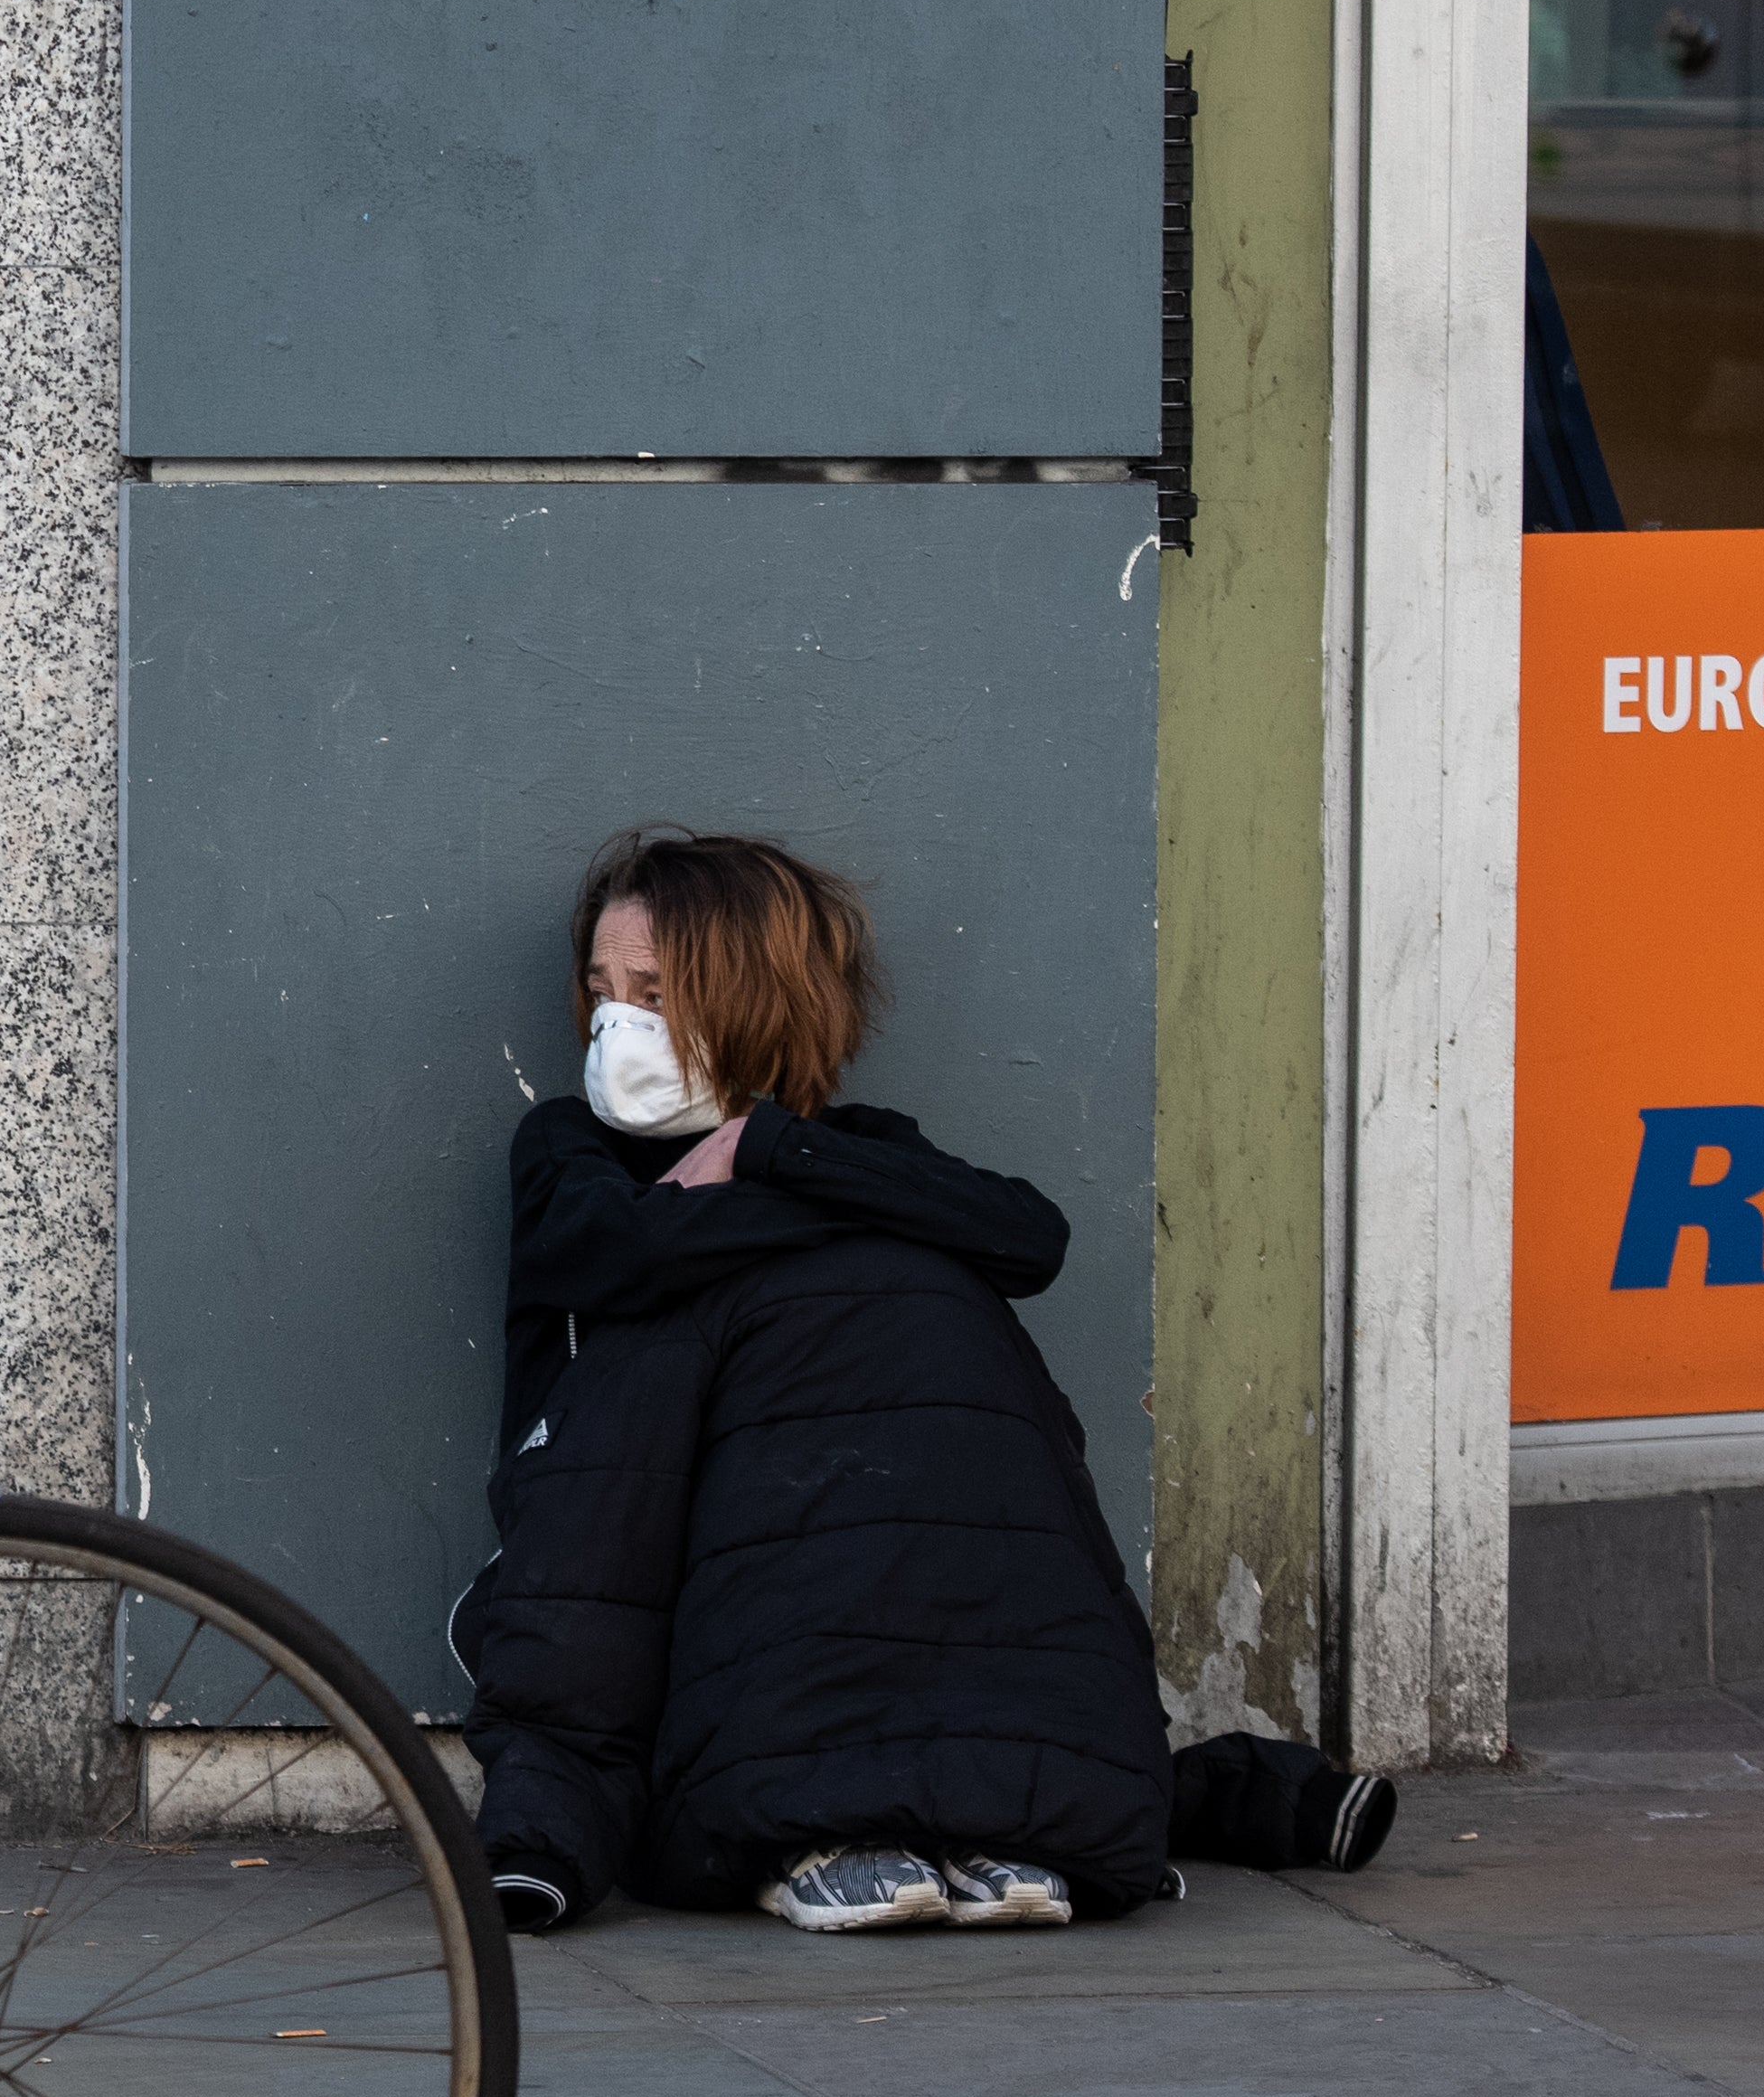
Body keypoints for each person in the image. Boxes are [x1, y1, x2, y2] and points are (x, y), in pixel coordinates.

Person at [448, 830, 1336, 1937]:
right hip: (681, 1524)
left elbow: (1025, 1236)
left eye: (656, 992)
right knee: (862, 1278)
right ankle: (817, 1817)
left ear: (750, 999)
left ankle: (988, 1808)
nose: (617, 1022)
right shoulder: (569, 1150)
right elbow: (622, 1249)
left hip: (885, 1522)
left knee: (923, 1329)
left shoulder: (848, 1146)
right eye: (601, 989)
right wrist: (847, 1202)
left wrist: (768, 1152)